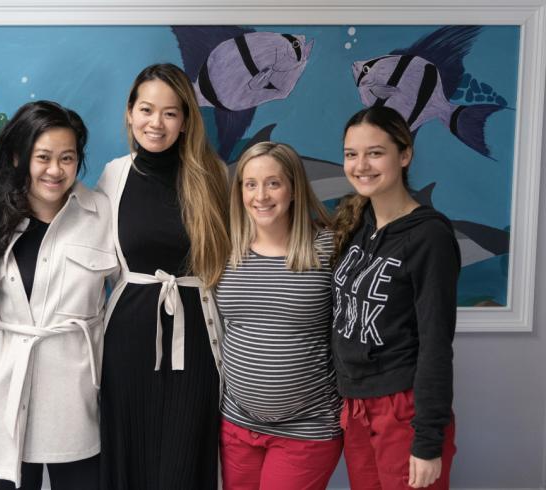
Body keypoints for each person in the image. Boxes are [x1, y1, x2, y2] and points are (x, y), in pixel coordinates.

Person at [0, 100, 117, 490]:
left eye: (67, 158)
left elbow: (135, 286)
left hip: (76, 393)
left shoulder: (101, 212)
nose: (55, 170)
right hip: (4, 386)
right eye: (43, 157)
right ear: (18, 157)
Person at [96, 63, 229, 490]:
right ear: (130, 112)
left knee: (184, 460)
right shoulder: (114, 175)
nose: (156, 123)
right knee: (128, 457)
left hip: (196, 343)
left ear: (186, 120)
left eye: (170, 113)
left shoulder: (214, 177)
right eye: (147, 109)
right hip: (128, 340)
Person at [330, 106, 460, 489]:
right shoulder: (356, 224)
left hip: (403, 409)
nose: (361, 165)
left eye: (375, 152)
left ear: (404, 155)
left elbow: (436, 344)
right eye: (351, 154)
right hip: (356, 407)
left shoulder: (429, 237)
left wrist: (427, 440)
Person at [215, 142, 343, 490]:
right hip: (236, 424)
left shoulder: (328, 248)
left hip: (307, 427)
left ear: (294, 188)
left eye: (273, 183)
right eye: (250, 184)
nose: (261, 195)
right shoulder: (225, 249)